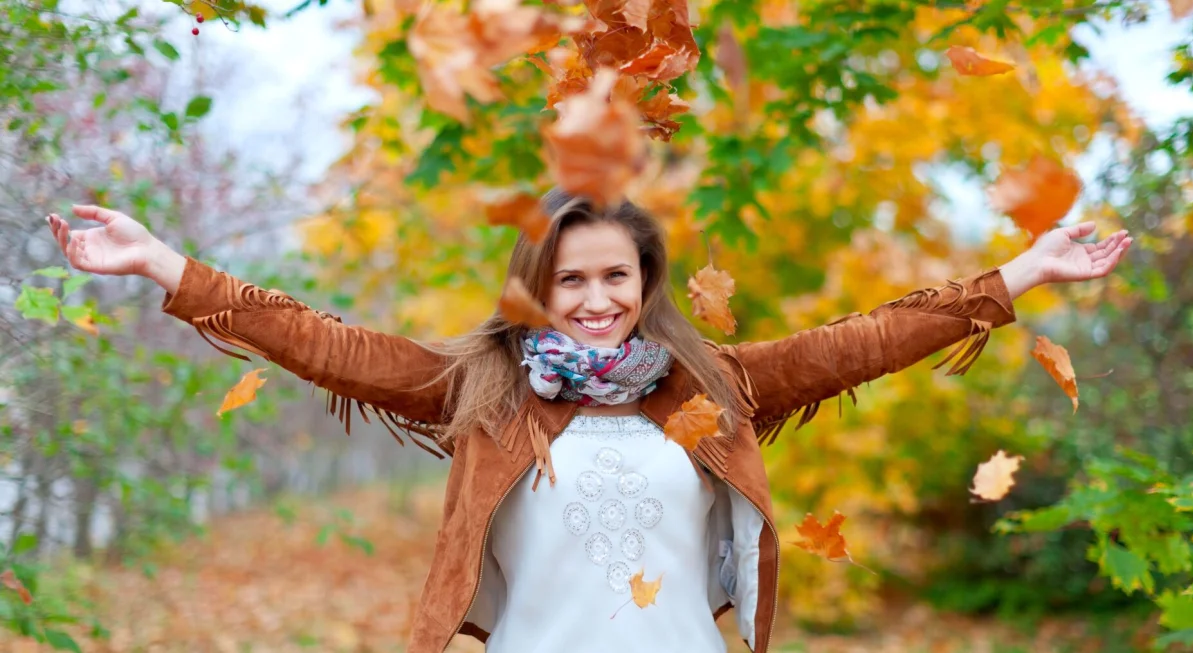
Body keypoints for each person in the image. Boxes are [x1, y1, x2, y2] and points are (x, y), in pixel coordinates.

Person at [45, 189, 1131, 653]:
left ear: (643, 278)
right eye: (570, 281)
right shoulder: (486, 385)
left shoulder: (712, 382)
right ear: (536, 290)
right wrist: (160, 262)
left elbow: (860, 339)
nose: (596, 298)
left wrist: (1019, 271)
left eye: (614, 275)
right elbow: (325, 341)